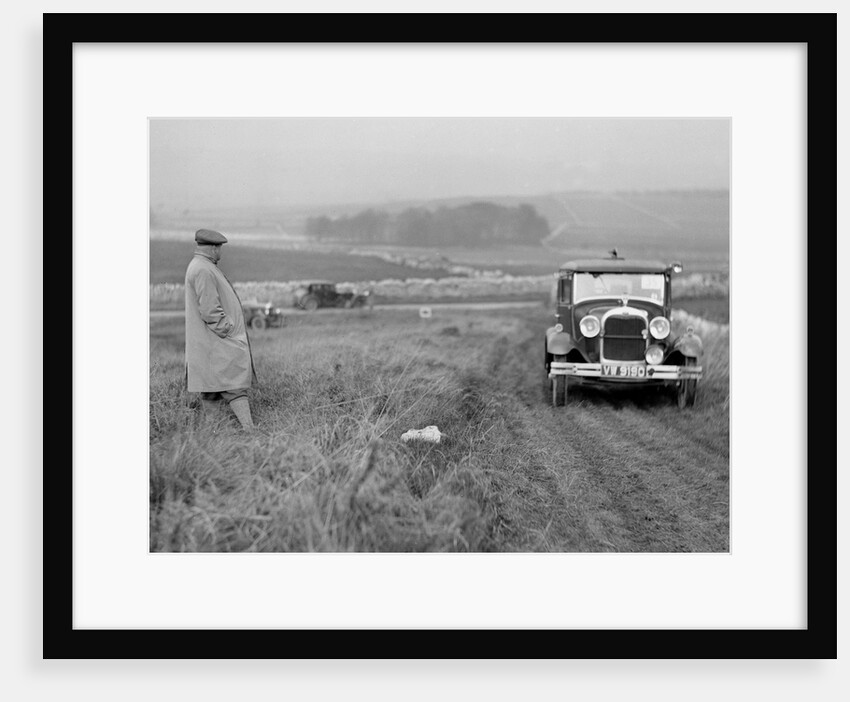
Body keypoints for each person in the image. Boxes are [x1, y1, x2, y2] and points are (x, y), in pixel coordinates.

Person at [184, 228, 257, 430]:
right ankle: (251, 431)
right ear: (212, 248)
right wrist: (228, 329)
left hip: (209, 342)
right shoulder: (203, 269)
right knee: (234, 386)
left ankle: (212, 434)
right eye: (219, 248)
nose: (221, 252)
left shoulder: (201, 266)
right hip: (217, 340)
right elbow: (209, 310)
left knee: (211, 388)